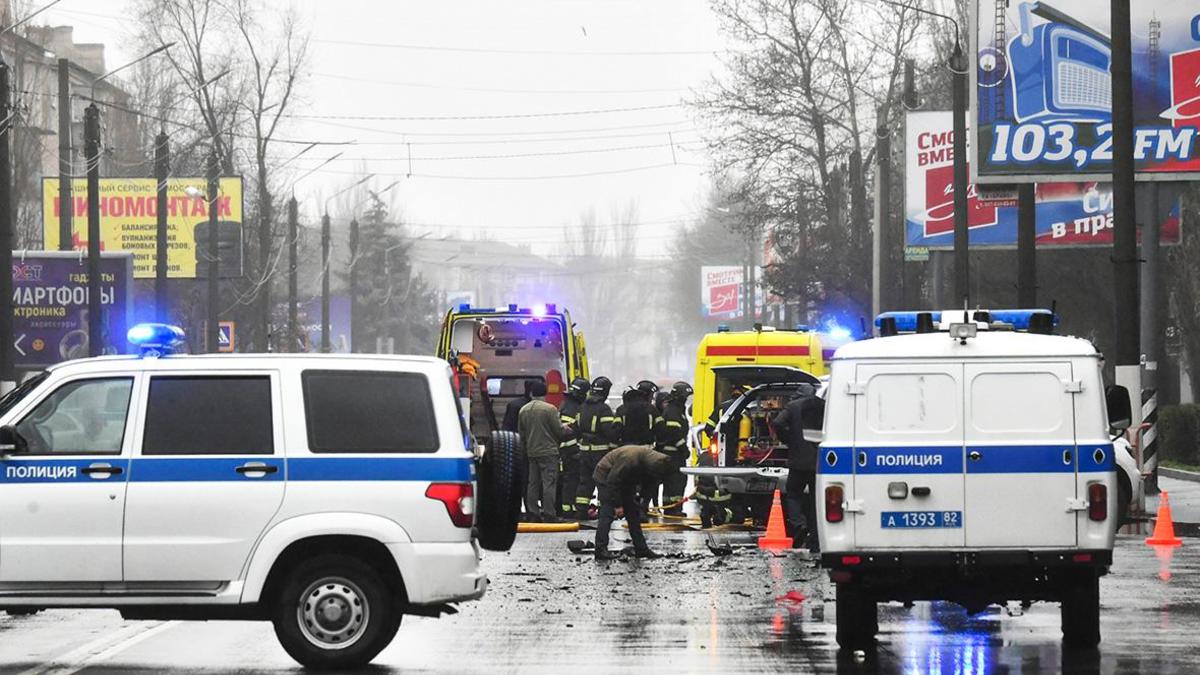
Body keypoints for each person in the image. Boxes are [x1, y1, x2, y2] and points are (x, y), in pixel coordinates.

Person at [592, 444, 675, 560]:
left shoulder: (653, 465)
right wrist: (618, 505)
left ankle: (641, 549)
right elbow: (613, 481)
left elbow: (648, 486)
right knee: (607, 512)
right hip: (605, 476)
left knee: (633, 514)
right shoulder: (630, 459)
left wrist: (642, 503)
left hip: (625, 480)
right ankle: (600, 550)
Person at [771, 385, 825, 552]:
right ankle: (816, 541)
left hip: (798, 462)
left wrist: (789, 440)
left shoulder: (793, 407)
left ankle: (799, 525)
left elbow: (778, 423)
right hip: (819, 463)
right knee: (817, 502)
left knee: (793, 494)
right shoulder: (824, 406)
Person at [518, 381, 570, 523]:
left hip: (531, 452)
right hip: (548, 452)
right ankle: (549, 514)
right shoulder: (550, 409)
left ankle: (533, 513)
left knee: (532, 483)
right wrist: (565, 428)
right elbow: (558, 431)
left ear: (531, 393)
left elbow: (521, 434)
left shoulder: (523, 410)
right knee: (549, 483)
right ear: (545, 393)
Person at [575, 376, 622, 519]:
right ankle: (604, 512)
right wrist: (619, 427)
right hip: (600, 453)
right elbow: (610, 432)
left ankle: (581, 511)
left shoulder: (582, 407)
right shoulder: (604, 409)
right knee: (603, 482)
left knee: (585, 482)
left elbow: (576, 429)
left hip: (584, 452)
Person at [654, 381, 692, 516]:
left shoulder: (675, 410)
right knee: (675, 482)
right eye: (685, 397)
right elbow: (673, 433)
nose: (686, 400)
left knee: (675, 482)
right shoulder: (672, 411)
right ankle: (673, 508)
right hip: (672, 455)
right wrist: (684, 449)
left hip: (673, 454)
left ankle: (671, 507)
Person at [557, 378, 589, 518]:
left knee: (571, 480)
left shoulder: (568, 404)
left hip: (567, 450)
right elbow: (567, 432)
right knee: (571, 480)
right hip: (569, 452)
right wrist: (575, 450)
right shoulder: (571, 407)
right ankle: (568, 510)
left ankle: (569, 508)